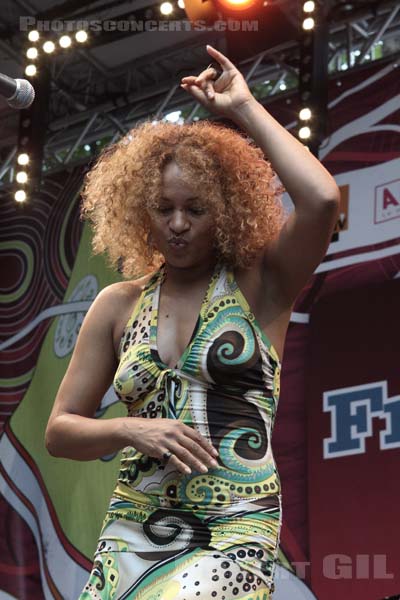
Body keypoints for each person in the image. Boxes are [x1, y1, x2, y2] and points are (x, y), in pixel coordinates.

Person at [45, 44, 340, 600]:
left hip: (234, 524)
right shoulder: (117, 303)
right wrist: (129, 428)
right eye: (163, 208)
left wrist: (245, 108)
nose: (178, 224)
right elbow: (60, 431)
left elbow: (323, 198)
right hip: (134, 523)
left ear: (224, 212)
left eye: (196, 209)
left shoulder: (261, 282)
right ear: (140, 211)